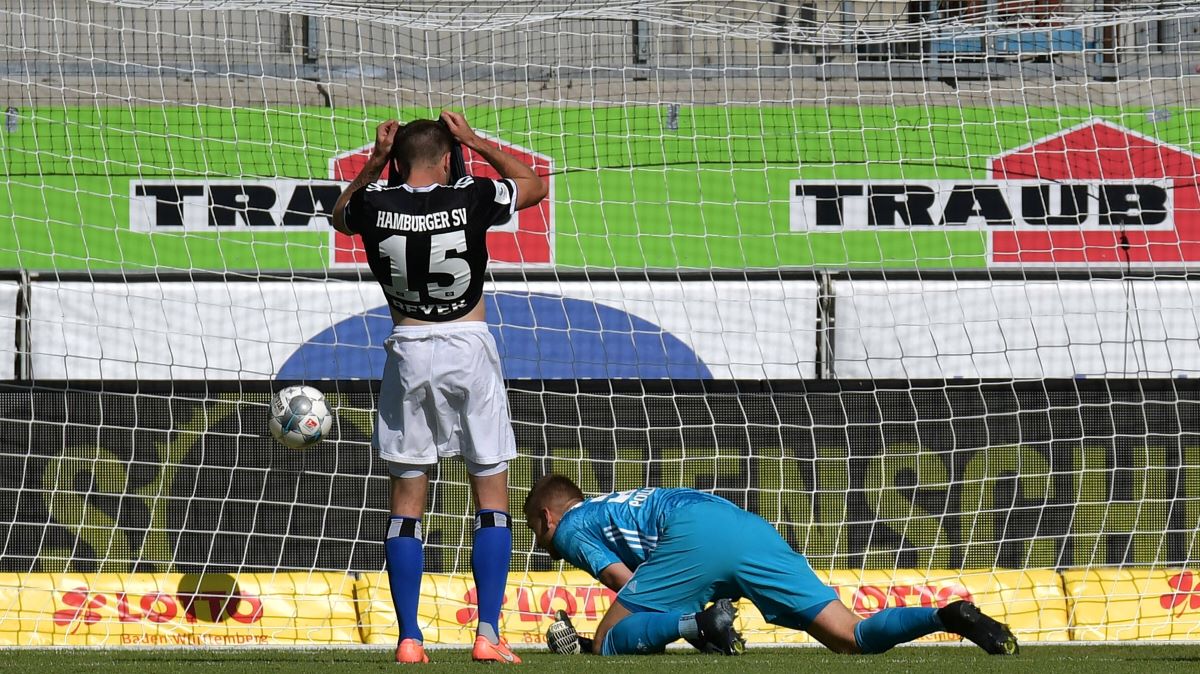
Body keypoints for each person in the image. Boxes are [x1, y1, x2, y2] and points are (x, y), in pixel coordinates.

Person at [333, 111, 548, 664]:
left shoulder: (374, 204)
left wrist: (374, 164)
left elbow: (339, 219)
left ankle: (409, 639)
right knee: (491, 500)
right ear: (449, 158)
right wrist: (476, 140)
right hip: (468, 347)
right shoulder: (473, 194)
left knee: (406, 504)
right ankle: (487, 633)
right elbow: (534, 185)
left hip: (408, 349)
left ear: (397, 161)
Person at [524, 475, 1020, 657]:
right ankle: (948, 617)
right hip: (745, 525)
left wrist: (595, 641)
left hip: (692, 533)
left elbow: (626, 583)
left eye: (536, 530)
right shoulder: (613, 505)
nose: (543, 545)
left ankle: (702, 622)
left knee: (611, 641)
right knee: (852, 636)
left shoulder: (570, 528)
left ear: (548, 516)